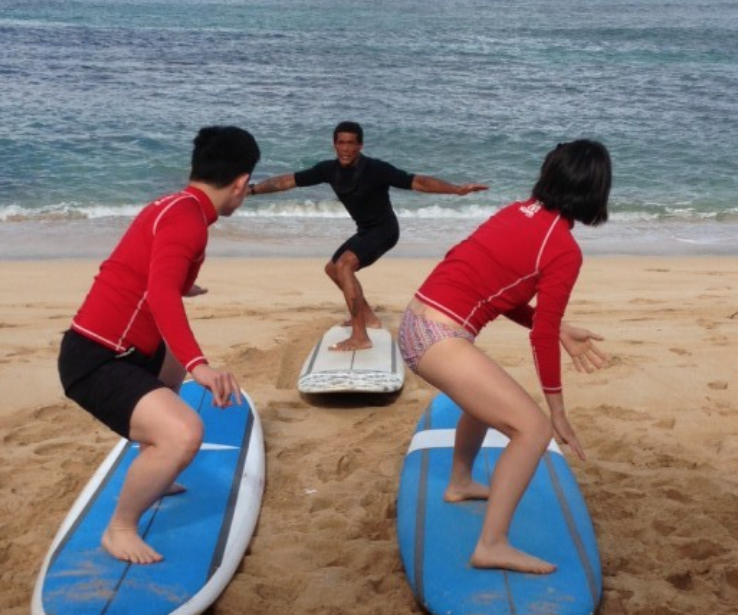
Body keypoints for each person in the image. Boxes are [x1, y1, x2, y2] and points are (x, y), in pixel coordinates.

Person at [398, 140, 612, 575]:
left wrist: (559, 330)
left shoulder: (518, 211)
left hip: (418, 320)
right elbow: (542, 336)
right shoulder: (564, 249)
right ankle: (491, 544)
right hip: (441, 334)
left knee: (487, 398)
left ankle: (459, 483)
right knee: (531, 430)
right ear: (596, 190)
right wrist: (556, 411)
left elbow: (496, 285)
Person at [57, 126, 260, 564]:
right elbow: (160, 294)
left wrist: (184, 285)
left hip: (126, 348)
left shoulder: (175, 205)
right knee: (186, 433)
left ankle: (158, 463)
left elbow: (157, 274)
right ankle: (121, 528)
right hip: (97, 360)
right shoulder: (188, 220)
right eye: (247, 187)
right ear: (241, 184)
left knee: (170, 362)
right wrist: (200, 365)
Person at [247, 121, 488, 351]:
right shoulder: (327, 170)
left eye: (352, 143)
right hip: (365, 230)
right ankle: (369, 317)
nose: (346, 148)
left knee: (344, 266)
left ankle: (360, 337)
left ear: (360, 146)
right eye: (341, 143)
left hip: (385, 230)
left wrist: (456, 189)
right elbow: (288, 180)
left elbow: (417, 181)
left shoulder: (377, 169)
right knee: (332, 269)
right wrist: (253, 190)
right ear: (334, 145)